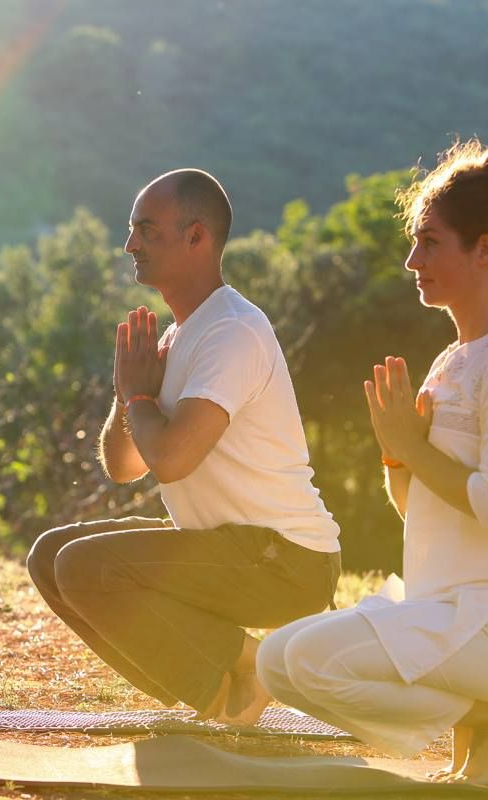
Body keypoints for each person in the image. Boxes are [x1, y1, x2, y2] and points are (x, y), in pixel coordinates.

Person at [256, 141, 488, 785]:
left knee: (312, 664)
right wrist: (394, 452)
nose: (413, 261)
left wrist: (413, 448)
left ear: (484, 250)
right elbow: (419, 507)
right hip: (451, 610)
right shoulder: (451, 361)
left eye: (430, 243)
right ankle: (484, 727)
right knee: (277, 660)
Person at [27, 168, 341, 725]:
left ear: (196, 237)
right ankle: (222, 681)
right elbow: (123, 466)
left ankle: (246, 677)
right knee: (52, 558)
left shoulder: (232, 331)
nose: (130, 245)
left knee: (84, 567)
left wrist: (139, 397)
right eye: (132, 230)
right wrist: (132, 397)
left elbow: (169, 462)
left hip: (286, 560)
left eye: (146, 230)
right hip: (227, 548)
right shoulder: (176, 335)